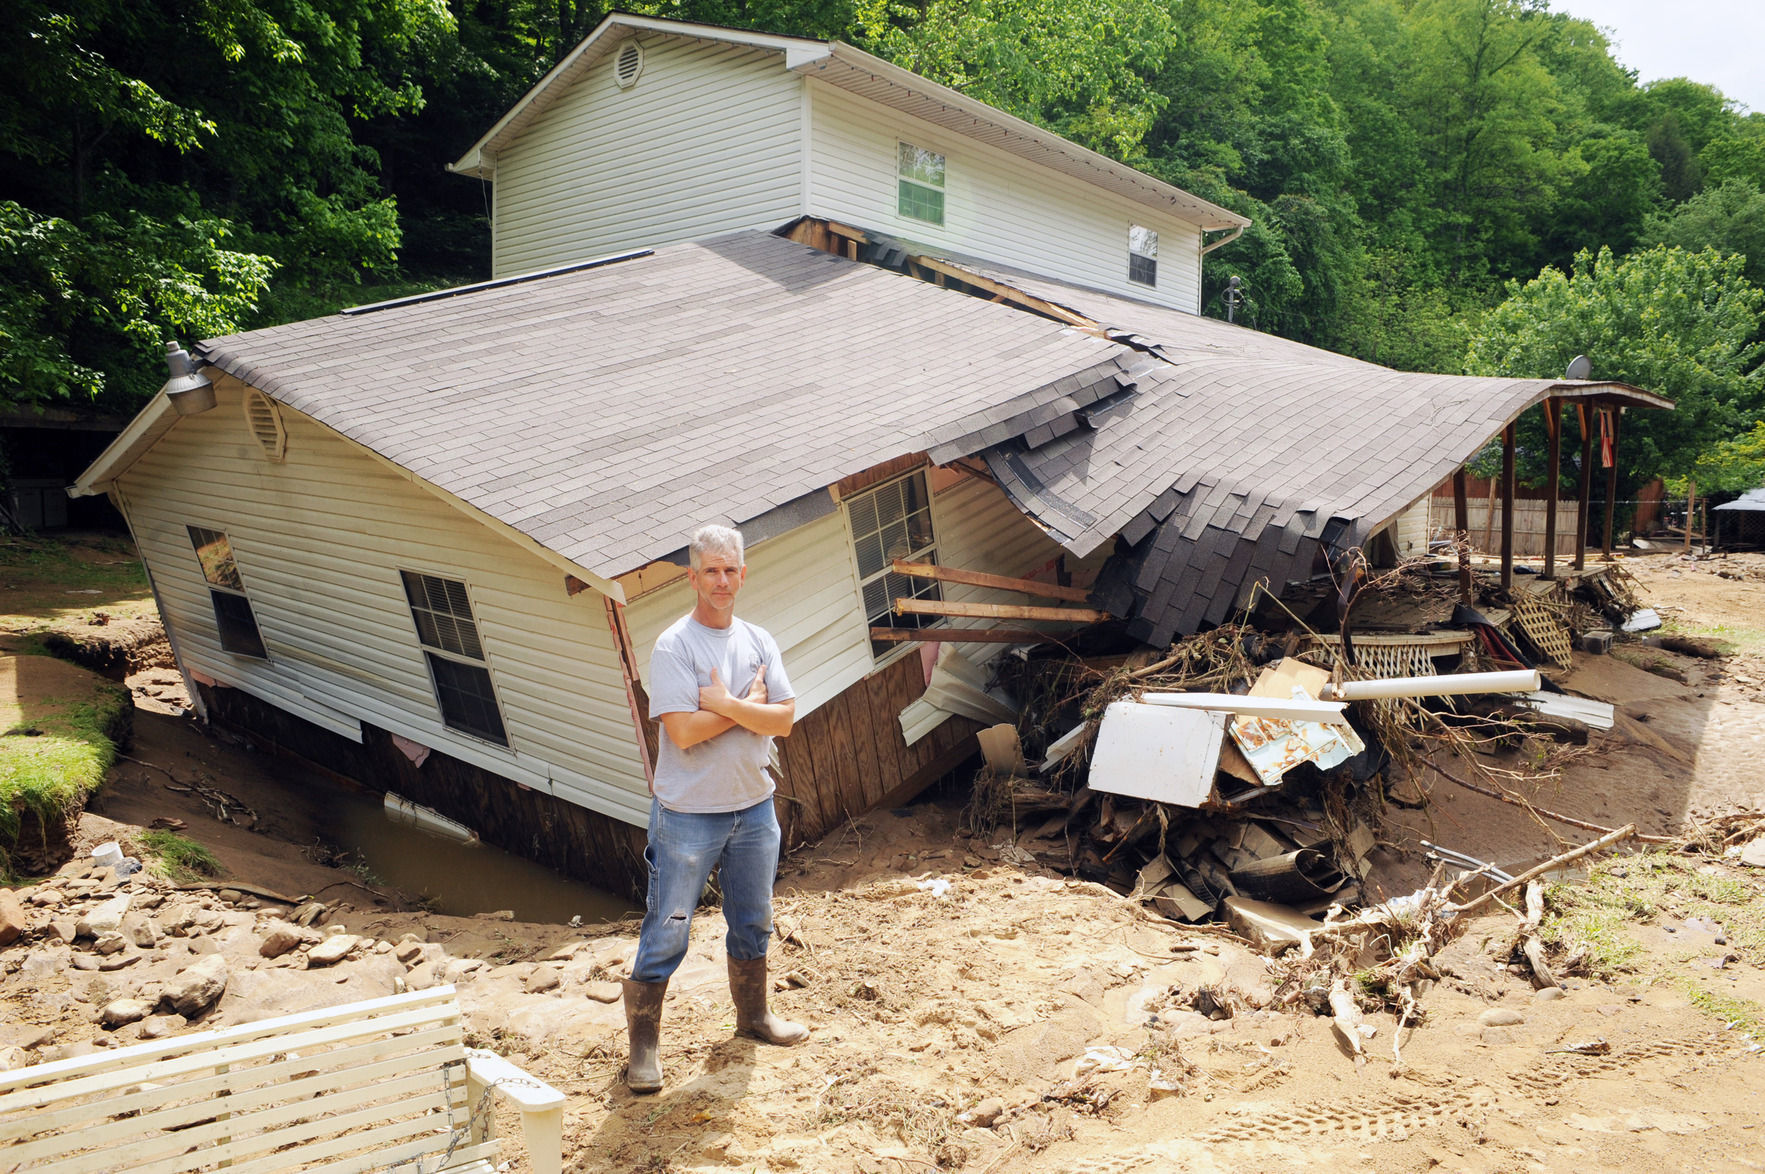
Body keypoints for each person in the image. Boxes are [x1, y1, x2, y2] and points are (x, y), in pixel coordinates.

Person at [622, 524, 807, 1093]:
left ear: (742, 574)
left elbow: (785, 718)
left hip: (754, 808)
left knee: (753, 921)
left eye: (731, 570)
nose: (722, 581)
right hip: (687, 815)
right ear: (692, 577)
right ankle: (644, 1048)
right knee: (669, 928)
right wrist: (744, 706)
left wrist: (723, 704)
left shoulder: (758, 640)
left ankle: (753, 1018)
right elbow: (682, 733)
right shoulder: (674, 646)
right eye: (711, 571)